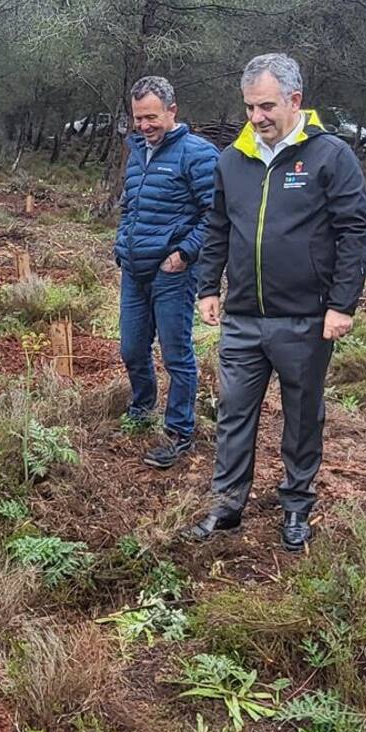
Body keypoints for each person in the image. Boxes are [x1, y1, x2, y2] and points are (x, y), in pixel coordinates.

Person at [184, 53, 366, 551]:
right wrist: (208, 286)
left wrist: (342, 304)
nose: (256, 117)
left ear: (295, 100)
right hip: (244, 317)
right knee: (233, 412)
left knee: (302, 414)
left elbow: (355, 231)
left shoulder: (330, 156)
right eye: (249, 107)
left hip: (306, 318)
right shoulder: (233, 159)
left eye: (266, 105)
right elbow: (219, 227)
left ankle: (296, 506)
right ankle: (227, 505)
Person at [115, 75, 219, 468]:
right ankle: (141, 409)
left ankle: (179, 431)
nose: (144, 126)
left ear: (172, 111)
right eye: (138, 118)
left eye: (152, 117)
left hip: (172, 273)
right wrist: (121, 245)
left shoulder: (199, 154)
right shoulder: (138, 151)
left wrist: (184, 254)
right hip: (134, 269)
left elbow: (216, 214)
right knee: (131, 349)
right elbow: (130, 206)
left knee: (177, 355)